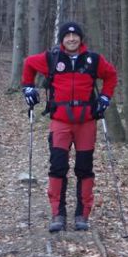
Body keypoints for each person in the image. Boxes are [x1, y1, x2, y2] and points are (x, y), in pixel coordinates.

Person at [22, 21, 117, 232]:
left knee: (84, 168)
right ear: (62, 39)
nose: (71, 39)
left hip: (86, 122)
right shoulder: (51, 58)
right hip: (60, 122)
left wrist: (105, 97)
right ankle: (58, 214)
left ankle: (82, 215)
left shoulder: (93, 60)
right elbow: (28, 63)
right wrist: (28, 87)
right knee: (58, 167)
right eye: (67, 36)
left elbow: (111, 75)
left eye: (75, 36)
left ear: (81, 39)